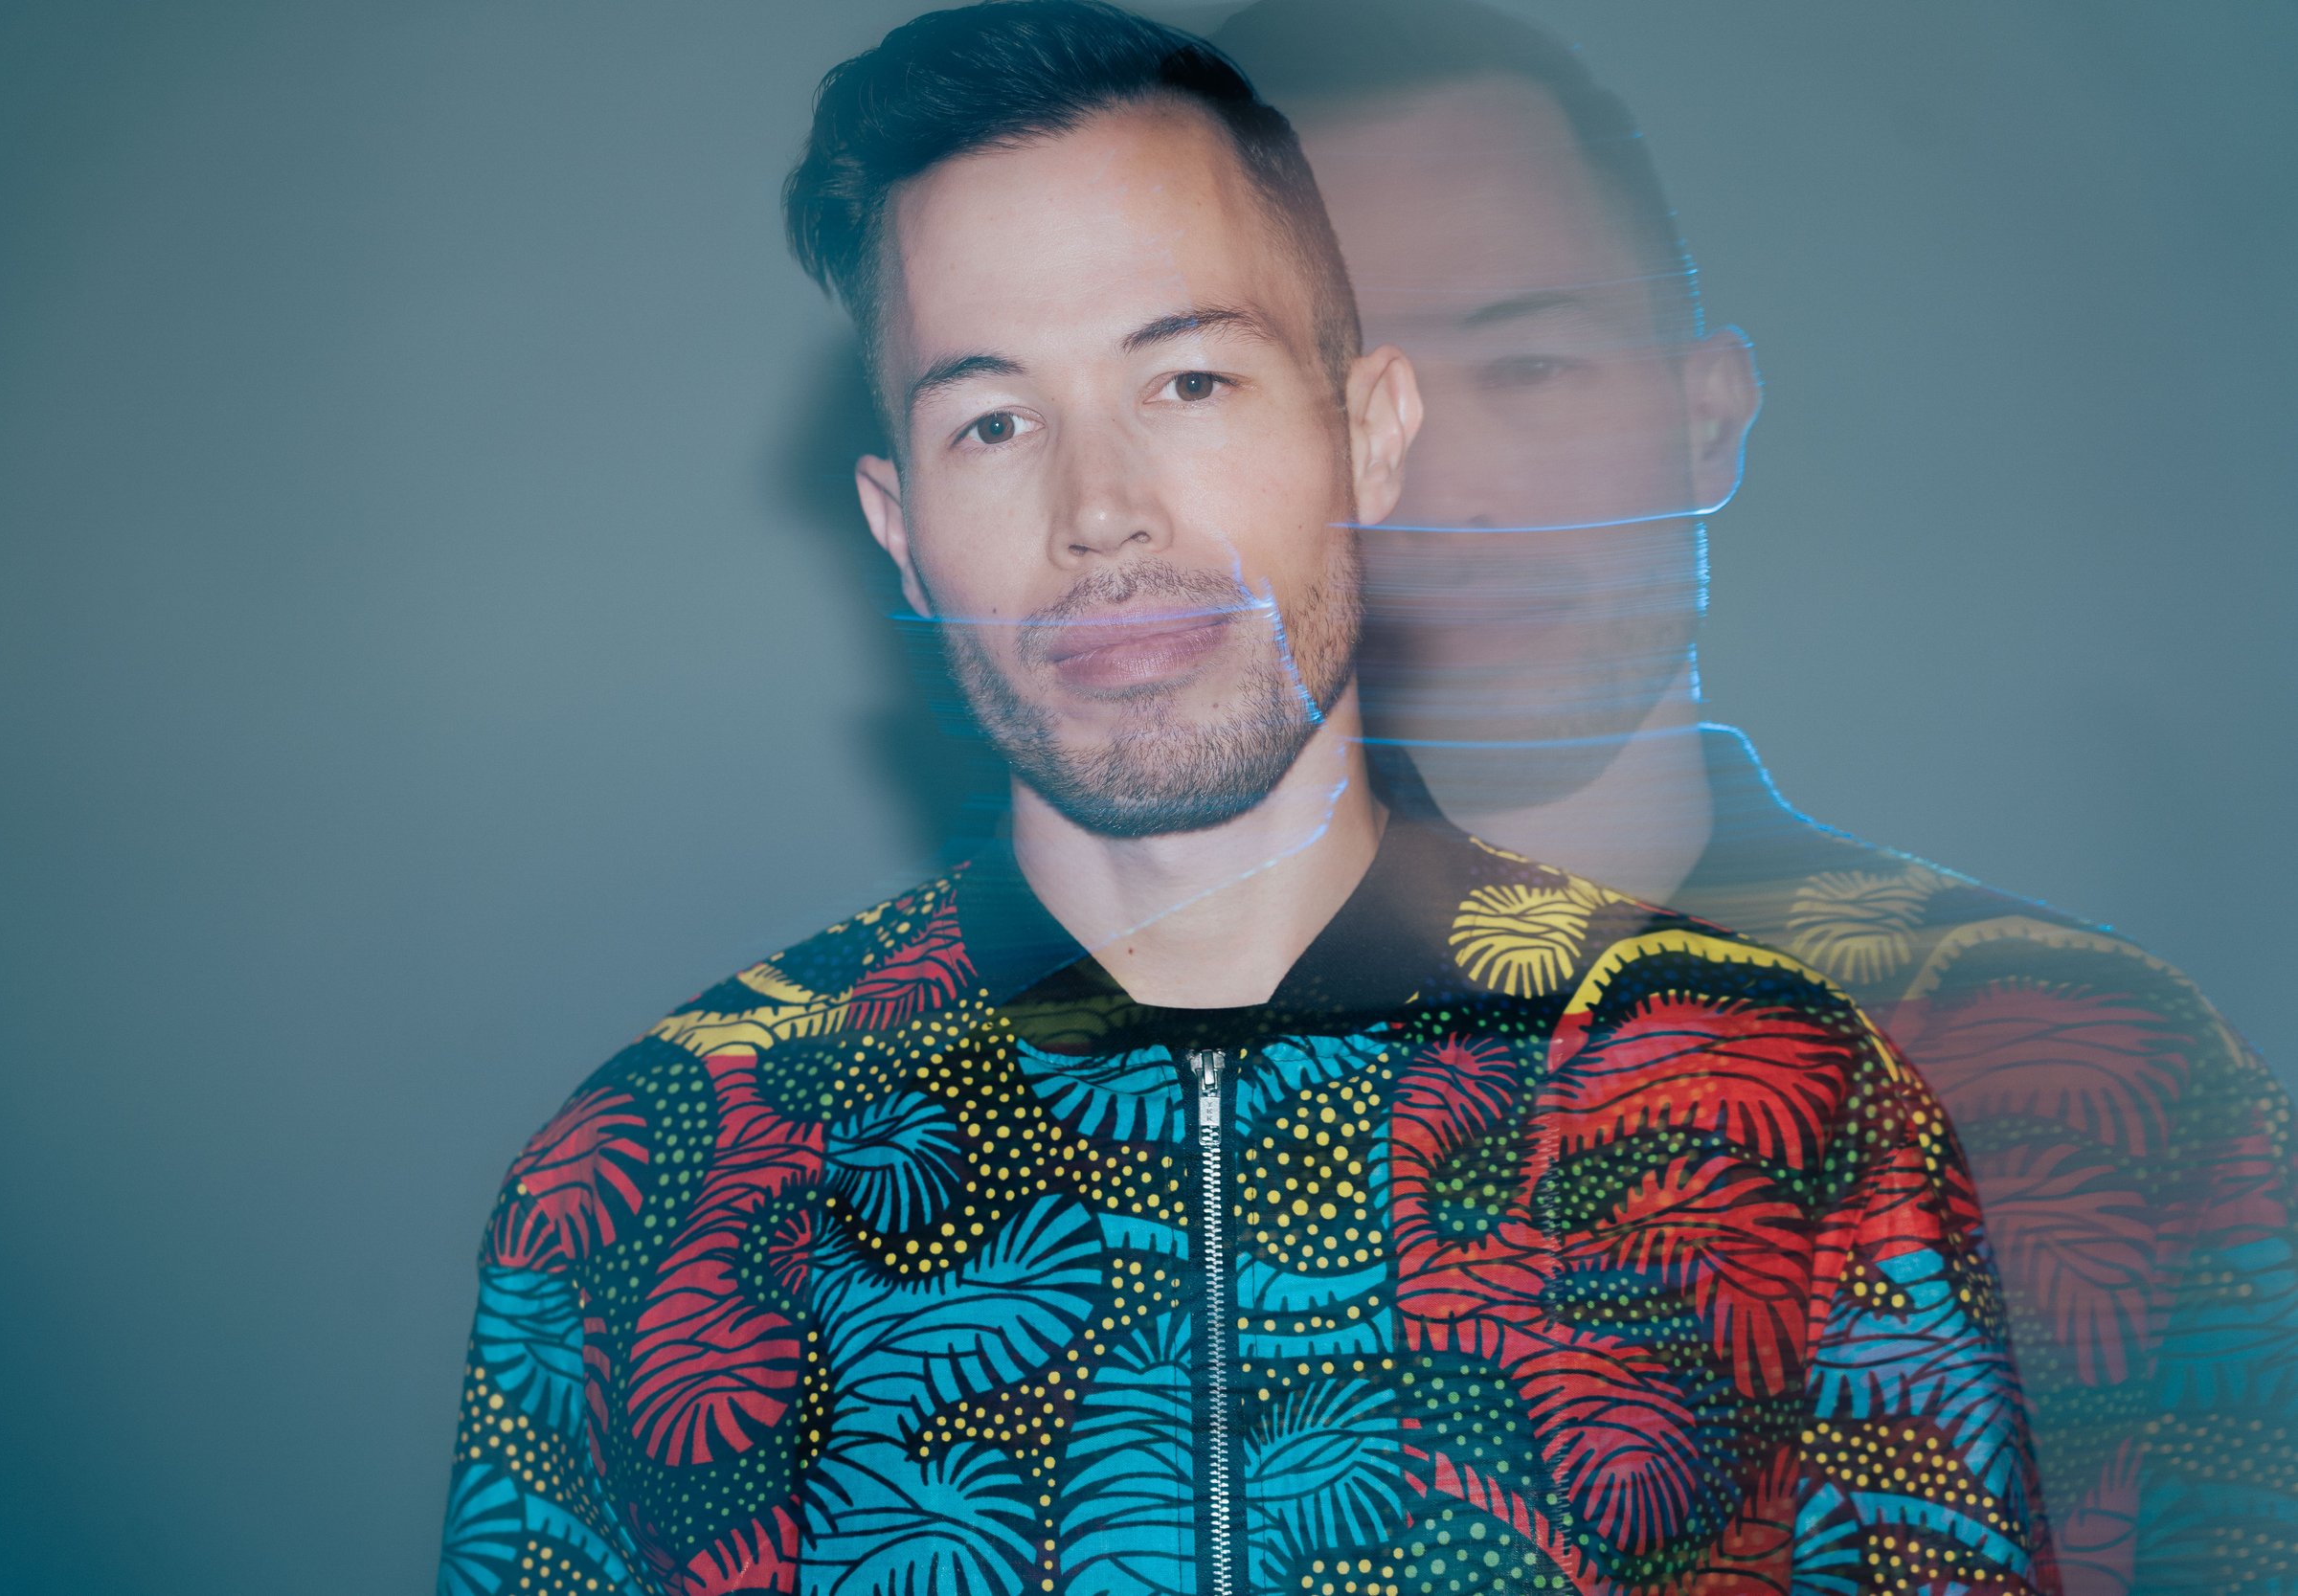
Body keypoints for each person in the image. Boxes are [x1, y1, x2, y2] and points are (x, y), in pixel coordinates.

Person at [438, 6, 2051, 1593]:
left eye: (1191, 382)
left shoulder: (1770, 1089)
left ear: (1370, 435)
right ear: (897, 522)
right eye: (993, 422)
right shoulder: (654, 1172)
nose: (1102, 514)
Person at [1205, 4, 2298, 1593]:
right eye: (1334, 396)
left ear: (1706, 415)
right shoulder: (984, 1109)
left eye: (1528, 361)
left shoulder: (2097, 1061)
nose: (1440, 487)